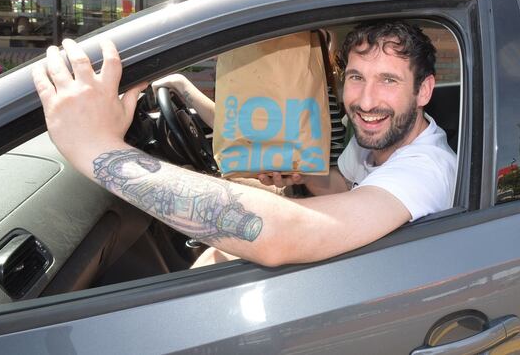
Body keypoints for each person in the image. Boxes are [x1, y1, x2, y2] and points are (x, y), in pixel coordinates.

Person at [32, 20, 457, 268]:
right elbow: (344, 189)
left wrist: (98, 150)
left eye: (389, 81)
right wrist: (299, 173)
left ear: (423, 91)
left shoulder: (427, 169)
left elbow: (279, 235)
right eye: (357, 77)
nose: (365, 101)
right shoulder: (375, 136)